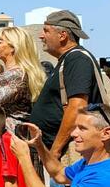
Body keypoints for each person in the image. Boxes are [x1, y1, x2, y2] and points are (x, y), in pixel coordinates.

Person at [29, 10, 104, 164]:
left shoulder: (77, 59)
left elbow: (77, 106)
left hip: (70, 153)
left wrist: (55, 150)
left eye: (46, 31)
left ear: (62, 35)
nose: (41, 36)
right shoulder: (67, 60)